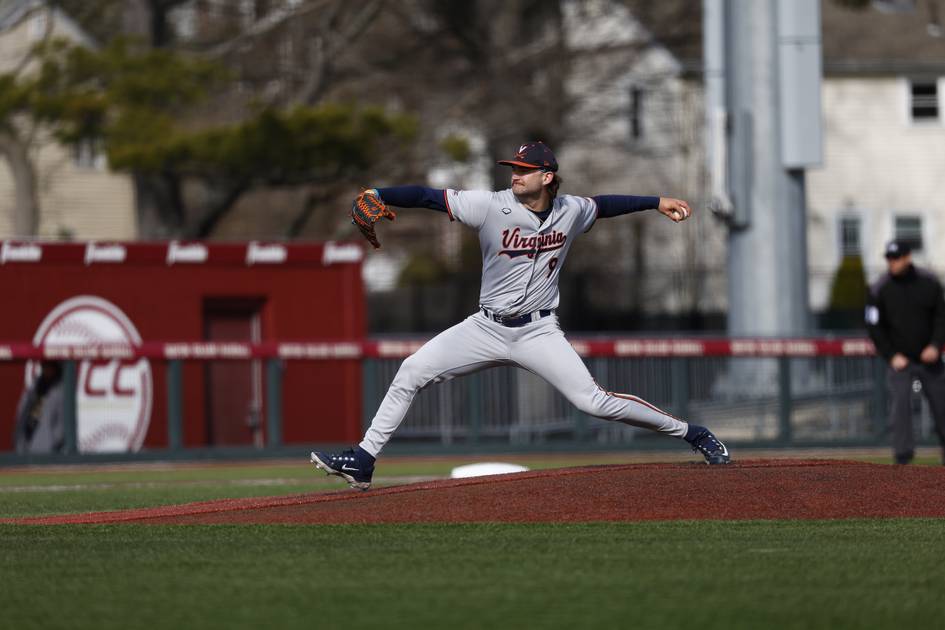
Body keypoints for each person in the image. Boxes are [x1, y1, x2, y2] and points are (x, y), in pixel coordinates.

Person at [311, 141, 731, 490]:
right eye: (513, 167)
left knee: (594, 402)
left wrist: (656, 202)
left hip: (539, 331)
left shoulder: (572, 210)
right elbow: (428, 197)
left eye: (525, 169)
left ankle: (692, 433)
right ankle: (363, 460)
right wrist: (380, 194)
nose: (515, 174)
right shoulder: (490, 206)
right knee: (411, 370)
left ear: (547, 177)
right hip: (485, 326)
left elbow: (605, 205)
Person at [865, 239, 945, 464]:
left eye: (896, 258)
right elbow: (873, 326)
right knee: (900, 407)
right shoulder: (879, 287)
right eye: (889, 258)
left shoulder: (929, 282)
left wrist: (935, 345)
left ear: (908, 257)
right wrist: (890, 355)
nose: (892, 262)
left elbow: (941, 317)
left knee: (942, 407)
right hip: (900, 360)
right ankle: (903, 459)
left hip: (930, 359)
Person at [13, 360, 66, 454]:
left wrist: (52, 443)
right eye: (44, 365)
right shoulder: (35, 384)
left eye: (49, 366)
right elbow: (22, 411)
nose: (46, 369)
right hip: (25, 443)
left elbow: (63, 422)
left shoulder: (61, 389)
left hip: (46, 451)